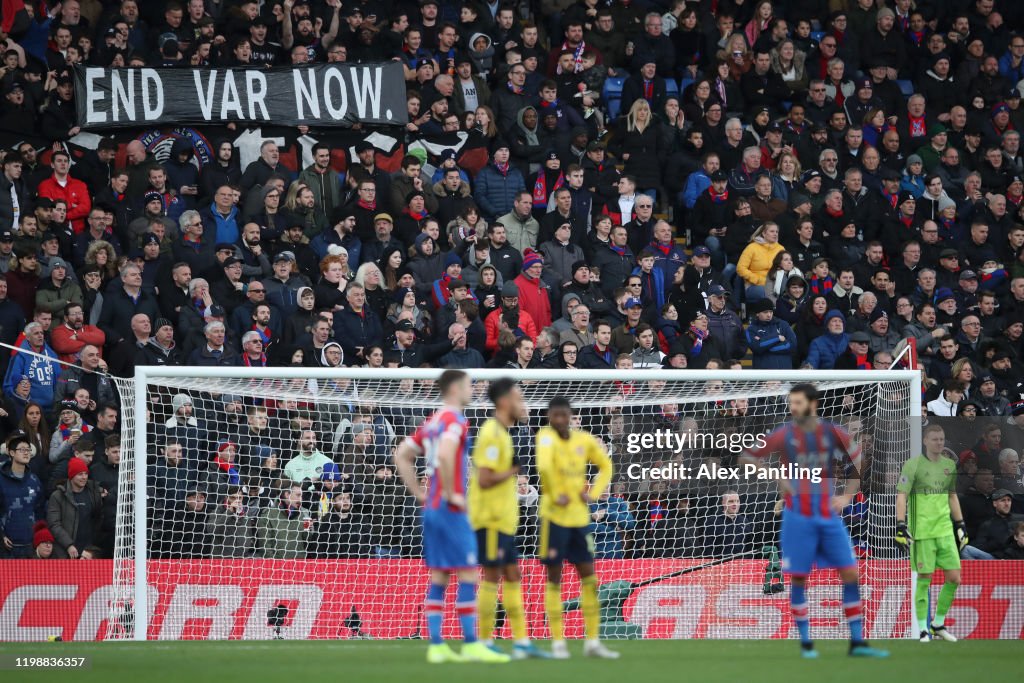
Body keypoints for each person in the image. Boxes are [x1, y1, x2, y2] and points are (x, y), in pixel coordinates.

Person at [742, 383, 889, 659]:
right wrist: (778, 479)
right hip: (797, 517)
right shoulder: (784, 434)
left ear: (813, 404)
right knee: (799, 579)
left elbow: (857, 461)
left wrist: (846, 496)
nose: (792, 407)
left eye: (797, 402)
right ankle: (806, 644)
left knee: (850, 573)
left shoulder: (833, 433)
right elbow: (748, 456)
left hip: (827, 516)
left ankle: (857, 643)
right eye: (791, 402)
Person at [392, 370, 510, 664]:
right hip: (450, 509)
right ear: (456, 388)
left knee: (440, 575)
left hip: (431, 508)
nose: (473, 390)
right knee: (469, 573)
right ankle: (471, 644)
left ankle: (437, 646)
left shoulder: (431, 422)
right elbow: (445, 455)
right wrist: (452, 494)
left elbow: (401, 455)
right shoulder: (455, 420)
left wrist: (420, 493)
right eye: (470, 385)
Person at [469, 378, 548, 659]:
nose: (523, 404)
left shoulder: (504, 432)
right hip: (489, 519)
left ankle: (520, 643)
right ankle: (485, 641)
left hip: (502, 519)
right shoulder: (492, 432)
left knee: (511, 575)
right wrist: (513, 470)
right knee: (494, 576)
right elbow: (485, 477)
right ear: (504, 402)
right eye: (519, 398)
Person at [536, 396, 618, 660]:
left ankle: (592, 640)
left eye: (565, 415)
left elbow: (606, 465)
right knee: (554, 578)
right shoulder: (545, 438)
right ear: (550, 417)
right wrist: (556, 490)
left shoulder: (583, 440)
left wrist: (593, 493)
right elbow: (545, 467)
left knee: (589, 576)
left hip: (579, 519)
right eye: (556, 415)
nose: (560, 420)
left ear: (571, 417)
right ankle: (558, 642)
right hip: (553, 518)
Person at [895, 423, 966, 642]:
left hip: (945, 530)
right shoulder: (912, 465)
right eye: (935, 439)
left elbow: (952, 496)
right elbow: (901, 496)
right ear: (925, 441)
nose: (939, 443)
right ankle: (923, 629)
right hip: (922, 531)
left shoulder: (949, 466)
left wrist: (960, 524)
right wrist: (900, 525)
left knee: (954, 578)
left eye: (942, 439)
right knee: (924, 578)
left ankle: (938, 624)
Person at [45, 456, 104, 559]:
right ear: (71, 476)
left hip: (87, 552)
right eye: (80, 474)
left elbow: (98, 518)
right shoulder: (58, 496)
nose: (84, 477)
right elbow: (54, 524)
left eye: (86, 474)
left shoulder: (93, 493)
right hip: (64, 551)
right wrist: (69, 544)